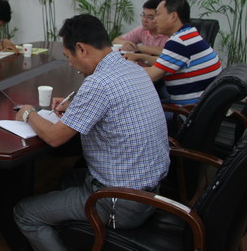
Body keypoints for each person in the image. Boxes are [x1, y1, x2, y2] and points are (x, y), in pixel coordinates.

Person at [13, 14, 169, 251]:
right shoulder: (133, 68)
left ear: (81, 49)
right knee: (66, 178)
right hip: (150, 194)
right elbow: (113, 107)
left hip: (119, 204)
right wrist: (75, 108)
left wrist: (28, 113)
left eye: (69, 57)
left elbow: (54, 137)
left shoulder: (98, 83)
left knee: (25, 213)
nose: (70, 64)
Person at [126, 0, 222, 106]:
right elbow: (165, 62)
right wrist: (139, 57)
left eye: (157, 14)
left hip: (185, 111)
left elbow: (151, 76)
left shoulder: (179, 42)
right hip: (201, 106)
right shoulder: (189, 35)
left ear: (173, 16)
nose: (155, 20)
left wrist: (123, 69)